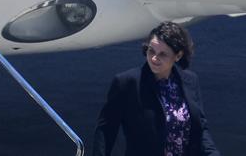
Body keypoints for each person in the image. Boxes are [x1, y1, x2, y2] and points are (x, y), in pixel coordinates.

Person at [93, 22, 220, 156]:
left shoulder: (191, 81)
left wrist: (212, 153)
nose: (154, 58)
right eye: (151, 51)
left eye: (163, 54)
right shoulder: (126, 83)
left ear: (178, 56)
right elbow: (106, 130)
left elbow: (200, 128)